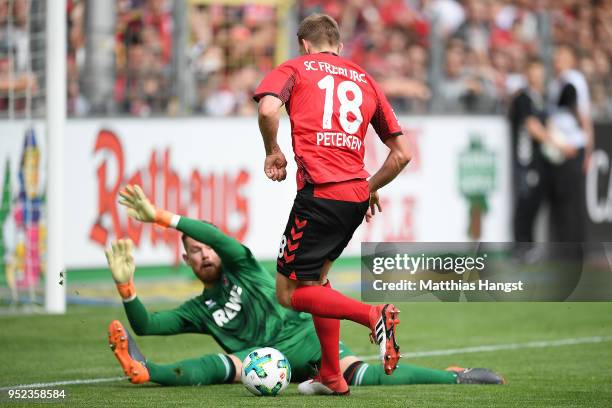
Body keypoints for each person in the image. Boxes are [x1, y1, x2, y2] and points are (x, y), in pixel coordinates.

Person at [106, 184, 505, 388]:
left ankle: (453, 377)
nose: (206, 253)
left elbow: (219, 237)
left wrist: (161, 217)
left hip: (305, 341)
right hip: (264, 360)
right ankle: (148, 371)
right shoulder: (198, 310)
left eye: (207, 246)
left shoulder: (241, 265)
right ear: (186, 261)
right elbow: (148, 325)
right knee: (223, 366)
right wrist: (126, 287)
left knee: (366, 377)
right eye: (195, 251)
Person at [254, 13, 411, 395]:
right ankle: (331, 376)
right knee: (317, 281)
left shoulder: (296, 67)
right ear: (339, 46)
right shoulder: (365, 78)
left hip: (319, 196)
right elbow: (401, 154)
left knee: (289, 293)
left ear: (304, 45)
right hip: (354, 198)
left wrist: (273, 150)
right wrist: (368, 185)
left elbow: (267, 109)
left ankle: (373, 315)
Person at [509, 58, 577, 242]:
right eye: (533, 71)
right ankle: (521, 246)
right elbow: (533, 127)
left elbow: (548, 124)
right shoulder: (522, 98)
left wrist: (565, 143)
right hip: (525, 159)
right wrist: (558, 145)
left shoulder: (541, 98)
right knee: (525, 203)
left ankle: (529, 245)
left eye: (539, 72)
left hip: (540, 160)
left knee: (535, 202)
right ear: (527, 74)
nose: (537, 76)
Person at [546, 44, 593, 242]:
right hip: (557, 148)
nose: (557, 59)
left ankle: (576, 246)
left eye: (562, 56)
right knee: (560, 198)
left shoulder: (574, 81)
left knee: (572, 200)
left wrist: (588, 153)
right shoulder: (554, 84)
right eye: (556, 55)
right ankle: (562, 243)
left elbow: (584, 119)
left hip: (573, 147)